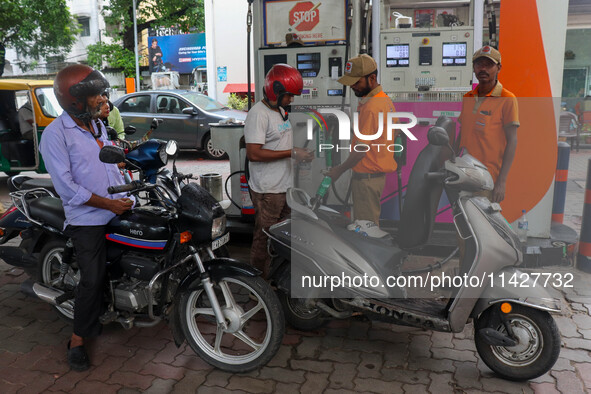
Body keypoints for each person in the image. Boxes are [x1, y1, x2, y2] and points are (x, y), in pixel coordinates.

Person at [39, 64, 134, 372]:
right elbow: (67, 188)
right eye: (94, 95)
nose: (101, 99)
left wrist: (128, 185)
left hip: (113, 206)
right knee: (91, 280)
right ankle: (78, 339)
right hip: (87, 218)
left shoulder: (98, 127)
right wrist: (108, 204)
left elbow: (110, 166)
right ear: (74, 100)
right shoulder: (55, 135)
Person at [244, 63, 313, 278]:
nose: (292, 100)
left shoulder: (280, 111)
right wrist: (291, 153)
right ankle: (257, 287)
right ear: (277, 91)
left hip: (284, 186)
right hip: (269, 190)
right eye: (289, 95)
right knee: (263, 237)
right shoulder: (258, 114)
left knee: (281, 237)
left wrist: (297, 155)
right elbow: (253, 154)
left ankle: (274, 279)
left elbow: (280, 144)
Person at [326, 54, 397, 226]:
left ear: (372, 78)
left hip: (367, 181)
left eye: (356, 82)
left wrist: (339, 170)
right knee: (368, 228)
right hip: (372, 178)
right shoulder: (383, 100)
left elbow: (360, 151)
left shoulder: (372, 106)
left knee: (367, 233)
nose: (352, 87)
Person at [457, 46, 519, 203]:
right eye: (479, 64)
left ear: (498, 67)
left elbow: (512, 141)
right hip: (464, 174)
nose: (483, 69)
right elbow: (462, 132)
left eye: (488, 64)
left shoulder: (507, 99)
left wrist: (501, 182)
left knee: (481, 223)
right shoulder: (468, 97)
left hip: (487, 178)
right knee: (463, 221)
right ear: (473, 68)